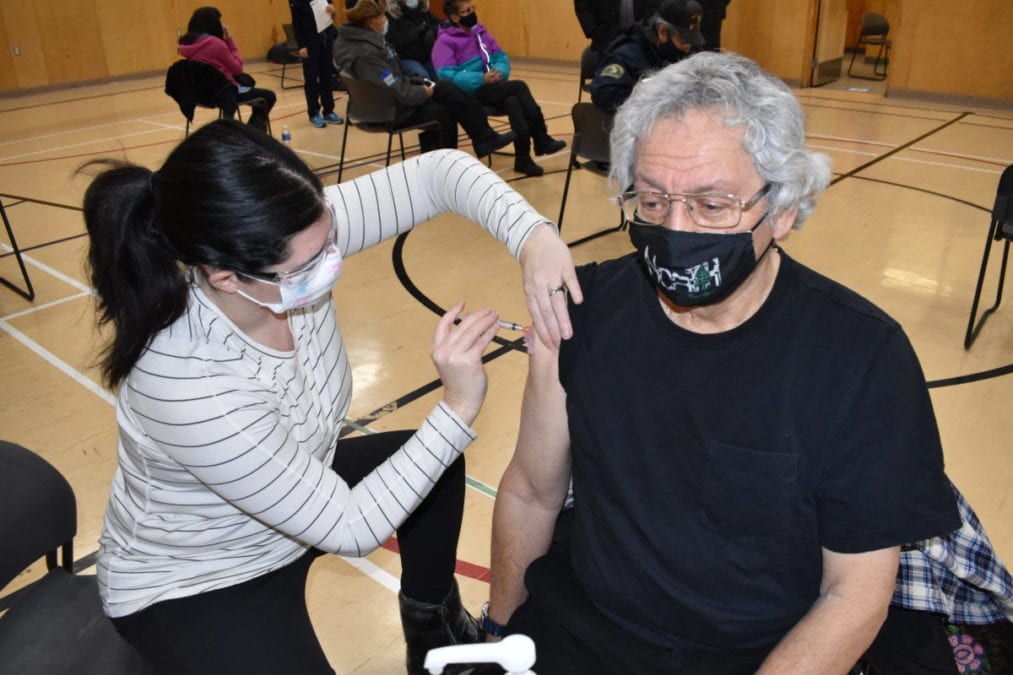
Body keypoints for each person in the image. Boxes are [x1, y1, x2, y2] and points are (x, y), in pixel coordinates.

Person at [483, 52, 962, 674]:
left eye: (712, 207)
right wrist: (500, 634)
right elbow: (529, 492)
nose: (677, 230)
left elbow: (854, 593)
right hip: (581, 630)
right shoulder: (584, 310)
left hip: (760, 655)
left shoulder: (862, 357)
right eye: (652, 202)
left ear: (784, 210)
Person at [82, 119, 581, 675]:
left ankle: (430, 626)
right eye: (305, 266)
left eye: (327, 243)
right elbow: (348, 528)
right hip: (201, 577)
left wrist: (533, 237)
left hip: (294, 494)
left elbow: (441, 172)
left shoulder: (289, 240)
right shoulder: (184, 378)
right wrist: (458, 405)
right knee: (432, 451)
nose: (329, 264)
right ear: (226, 277)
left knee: (433, 469)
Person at [334, 0, 516, 158]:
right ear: (371, 22)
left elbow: (393, 81)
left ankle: (483, 139)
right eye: (382, 16)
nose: (384, 20)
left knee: (446, 88)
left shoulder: (356, 42)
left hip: (384, 101)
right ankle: (452, 162)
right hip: (388, 111)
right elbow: (400, 93)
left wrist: (419, 84)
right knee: (445, 109)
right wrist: (423, 91)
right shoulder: (367, 54)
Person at [431, 0, 567, 177]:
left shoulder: (480, 31)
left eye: (473, 9)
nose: (472, 13)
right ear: (455, 17)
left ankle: (523, 159)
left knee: (514, 101)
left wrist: (499, 73)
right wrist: (481, 78)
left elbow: (500, 56)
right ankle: (541, 138)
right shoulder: (444, 42)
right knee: (519, 87)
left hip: (493, 86)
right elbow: (447, 75)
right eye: (466, 11)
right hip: (471, 93)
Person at [590, 0, 704, 113]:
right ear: (663, 32)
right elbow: (603, 93)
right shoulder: (628, 56)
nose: (688, 48)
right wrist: (647, 99)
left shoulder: (691, 52)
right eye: (684, 41)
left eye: (692, 40)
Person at [176, 7, 276, 133]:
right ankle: (252, 133)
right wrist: (230, 41)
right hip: (223, 94)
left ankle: (250, 133)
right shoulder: (215, 43)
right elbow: (237, 68)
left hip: (200, 94)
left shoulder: (187, 44)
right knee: (269, 96)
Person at [288, 0, 344, 128]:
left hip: (326, 36)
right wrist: (301, 45)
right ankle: (313, 113)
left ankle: (328, 110)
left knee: (327, 76)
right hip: (309, 39)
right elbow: (296, 21)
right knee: (311, 77)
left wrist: (332, 10)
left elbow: (330, 12)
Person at [573, 0, 661, 54]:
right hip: (606, 40)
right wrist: (595, 31)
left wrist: (649, 31)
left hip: (648, 42)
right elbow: (583, 4)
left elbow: (658, 5)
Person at [386, 0, 440, 81]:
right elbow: (393, 41)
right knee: (423, 78)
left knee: (441, 75)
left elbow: (437, 24)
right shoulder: (390, 15)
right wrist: (417, 32)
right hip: (406, 58)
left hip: (428, 55)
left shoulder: (422, 9)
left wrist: (432, 31)